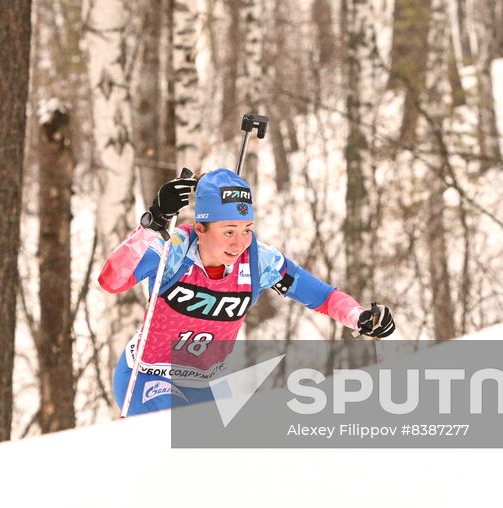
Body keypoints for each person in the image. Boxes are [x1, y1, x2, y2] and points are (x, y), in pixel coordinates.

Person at [98, 167, 395, 415]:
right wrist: (153, 224)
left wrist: (359, 316)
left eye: (247, 229)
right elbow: (111, 281)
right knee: (176, 439)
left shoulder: (258, 261)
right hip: (148, 375)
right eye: (228, 231)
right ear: (200, 229)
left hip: (204, 386)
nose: (239, 243)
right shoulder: (173, 251)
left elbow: (322, 296)